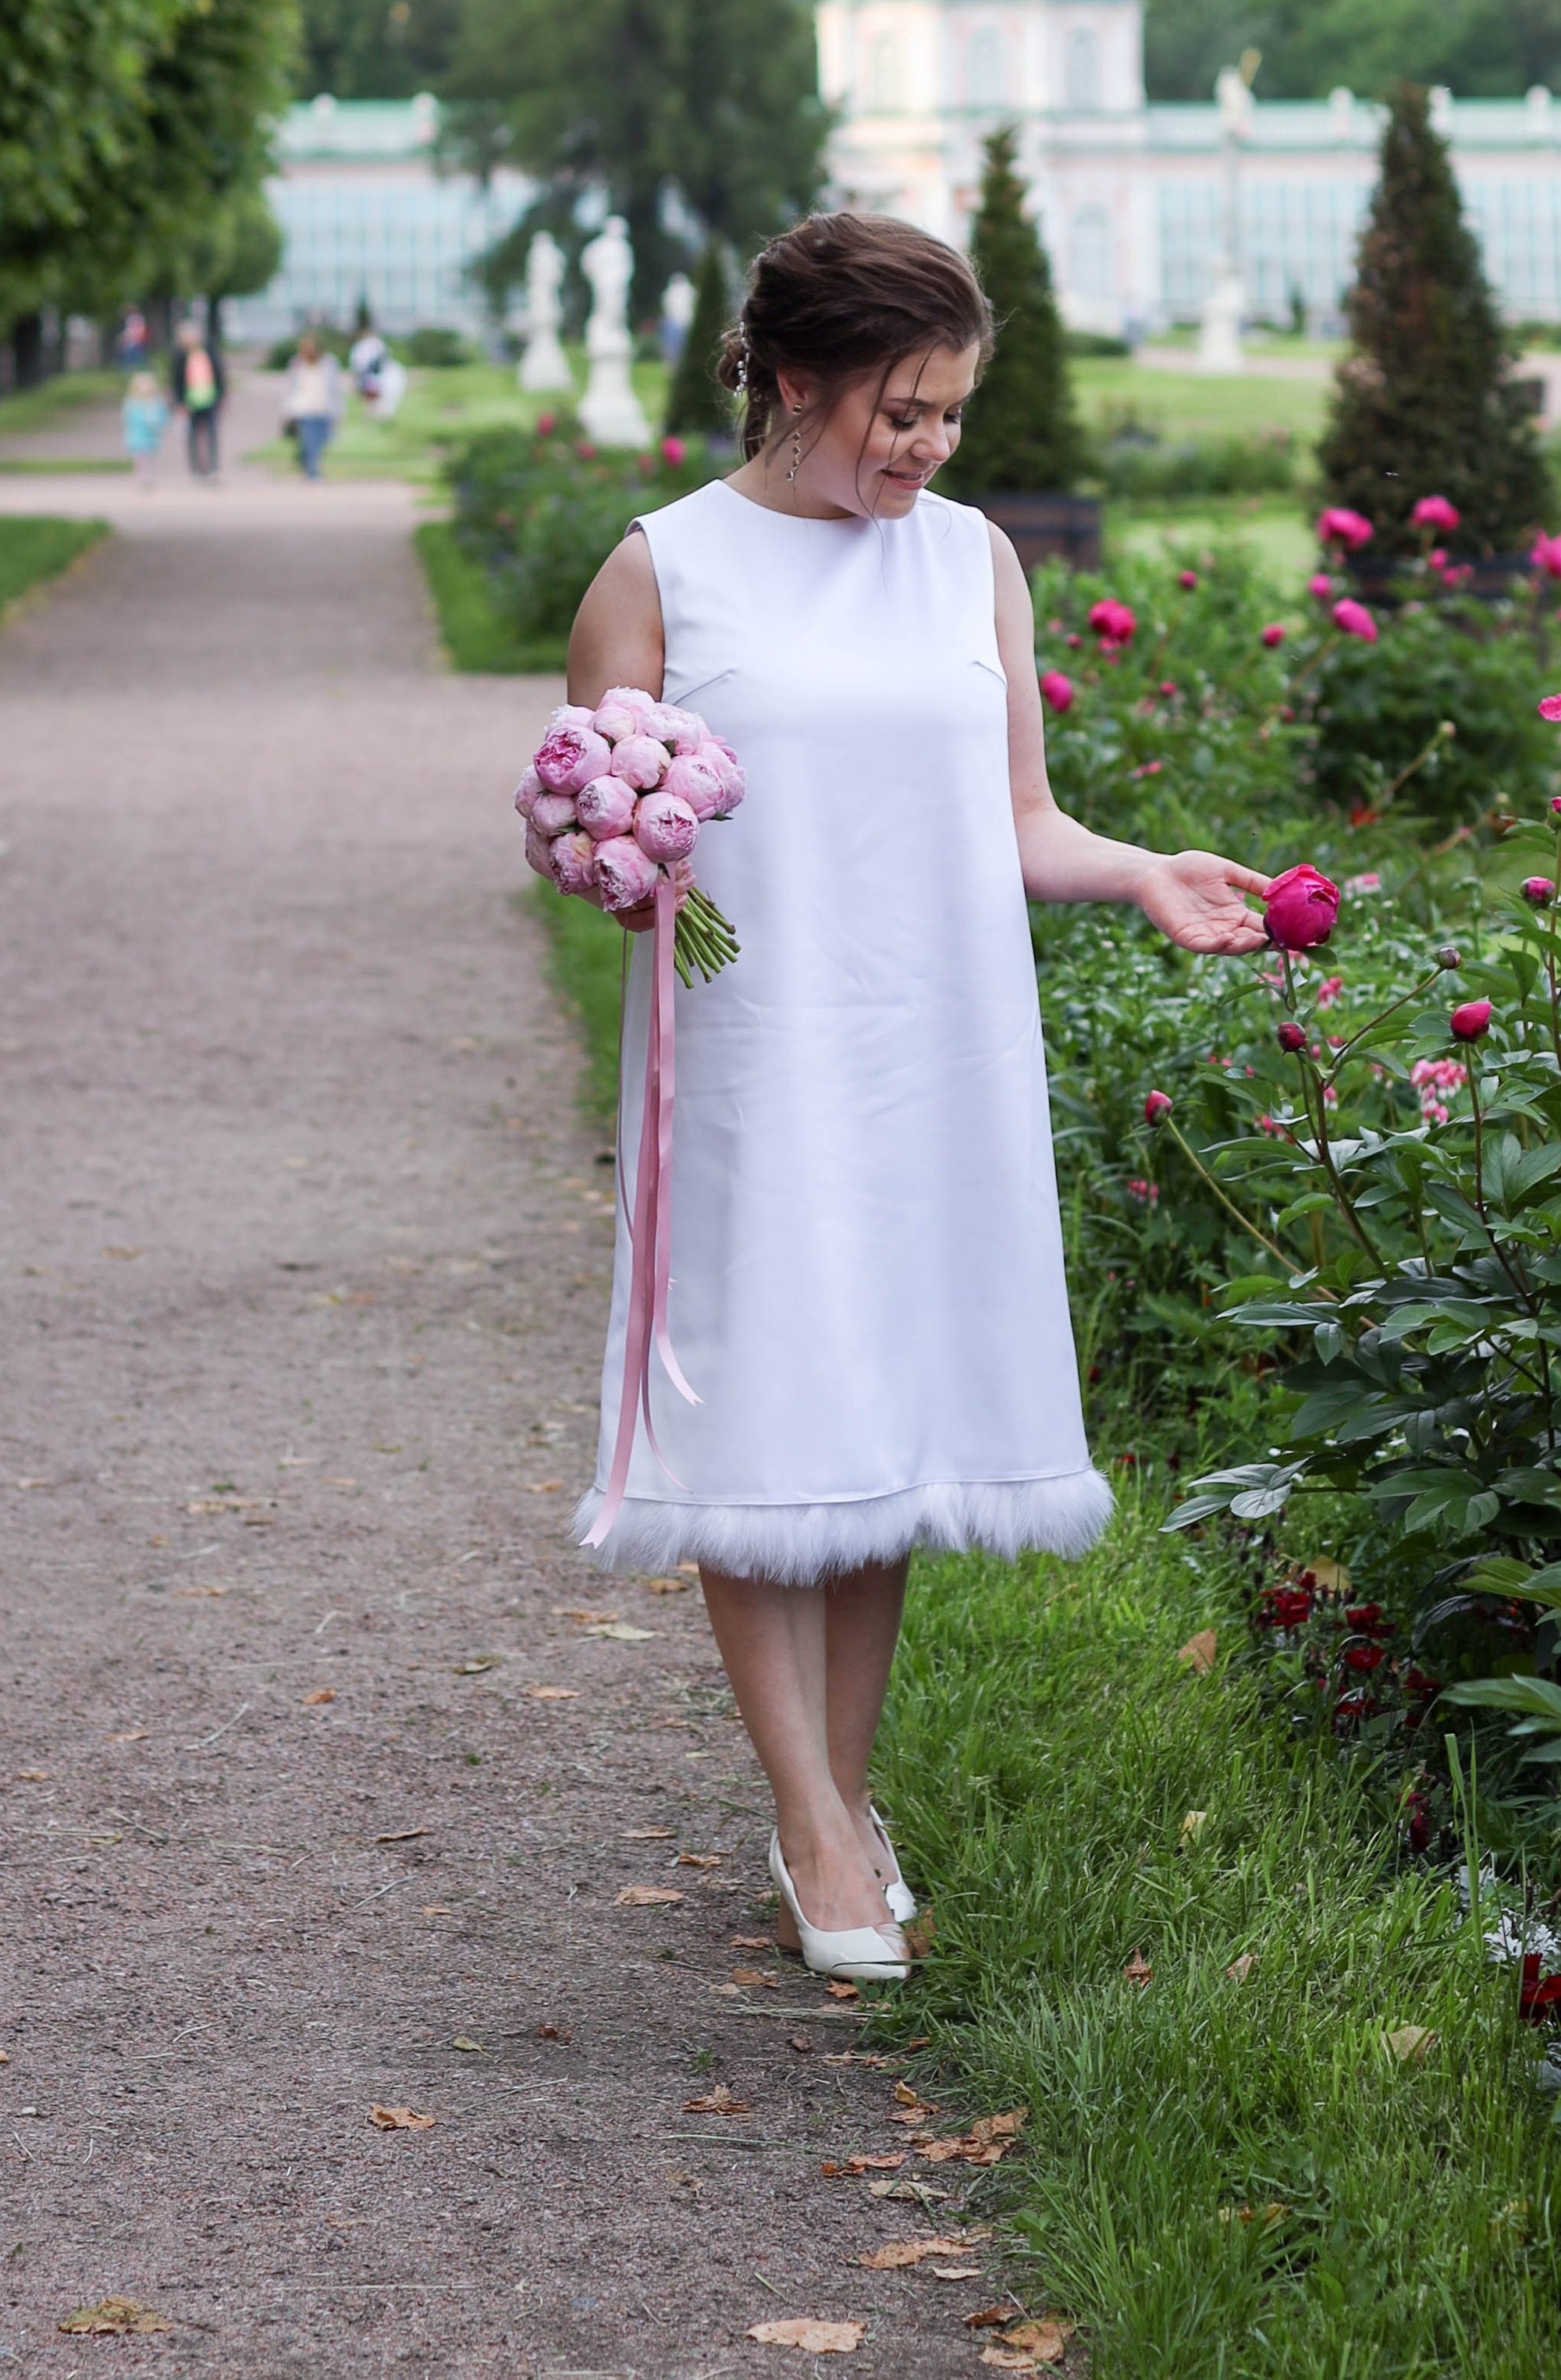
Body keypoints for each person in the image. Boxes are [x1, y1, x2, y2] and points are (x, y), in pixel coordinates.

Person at [565, 211, 1268, 1982]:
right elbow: (598, 821)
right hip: (747, 1055)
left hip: (928, 1041)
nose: (928, 446)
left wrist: (1132, 872)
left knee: (874, 1424)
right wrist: (606, 846)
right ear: (790, 378)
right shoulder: (660, 573)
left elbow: (1012, 817)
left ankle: (846, 1792)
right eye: (899, 408)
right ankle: (803, 1813)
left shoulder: (967, 563)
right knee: (759, 1417)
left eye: (949, 413)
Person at [282, 328, 342, 478]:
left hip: (323, 407)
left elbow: (335, 389)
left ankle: (305, 459)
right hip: (304, 409)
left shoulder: (329, 364)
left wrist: (339, 410)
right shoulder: (297, 364)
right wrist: (288, 410)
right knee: (310, 441)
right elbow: (290, 388)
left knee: (322, 440)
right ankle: (313, 472)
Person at [169, 319, 226, 480]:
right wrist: (179, 402)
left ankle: (213, 468)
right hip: (190, 402)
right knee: (192, 437)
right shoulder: (180, 357)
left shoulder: (208, 352)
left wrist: (221, 396)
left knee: (211, 435)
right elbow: (176, 381)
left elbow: (219, 374)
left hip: (209, 399)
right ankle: (196, 470)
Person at [121, 366, 166, 482]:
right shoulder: (133, 403)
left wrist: (157, 423)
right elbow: (128, 418)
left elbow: (163, 416)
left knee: (149, 455)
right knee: (140, 456)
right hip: (138, 435)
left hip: (151, 435)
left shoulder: (156, 401)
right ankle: (142, 474)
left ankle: (148, 474)